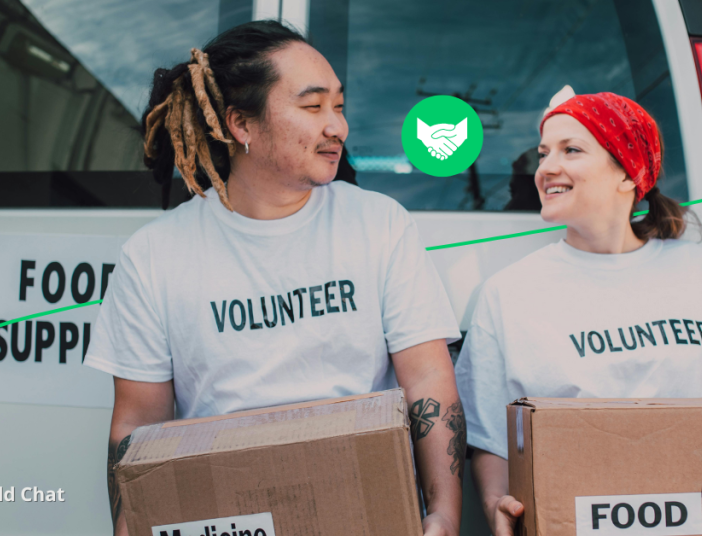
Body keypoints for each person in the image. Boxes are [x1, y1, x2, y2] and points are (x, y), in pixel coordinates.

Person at [85, 21, 465, 536]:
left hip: (367, 505)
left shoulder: (380, 224)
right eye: (313, 107)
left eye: (339, 106)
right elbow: (137, 428)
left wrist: (443, 513)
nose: (337, 127)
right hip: (225, 514)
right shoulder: (154, 256)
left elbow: (428, 382)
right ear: (241, 124)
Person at [454, 90, 702, 536]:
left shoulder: (701, 272)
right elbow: (489, 437)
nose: (546, 167)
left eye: (571, 150)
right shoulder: (508, 293)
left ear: (629, 174)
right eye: (544, 153)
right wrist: (496, 502)